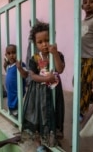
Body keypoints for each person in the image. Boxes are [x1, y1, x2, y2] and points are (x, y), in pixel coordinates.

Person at [22, 22, 65, 150]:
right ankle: (39, 142)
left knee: (53, 111)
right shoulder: (34, 58)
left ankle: (52, 137)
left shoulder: (58, 54)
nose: (44, 44)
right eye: (40, 42)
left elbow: (60, 69)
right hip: (38, 92)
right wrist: (46, 78)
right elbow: (33, 76)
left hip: (53, 90)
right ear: (35, 44)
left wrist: (55, 54)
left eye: (47, 40)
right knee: (38, 115)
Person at [3, 44, 28, 117]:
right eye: (9, 53)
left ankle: (20, 121)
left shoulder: (20, 64)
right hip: (11, 91)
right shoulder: (8, 65)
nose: (11, 55)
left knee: (17, 107)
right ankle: (15, 118)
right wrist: (5, 66)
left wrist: (19, 67)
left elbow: (25, 75)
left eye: (13, 53)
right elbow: (8, 73)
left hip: (18, 92)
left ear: (18, 53)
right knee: (11, 106)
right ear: (6, 55)